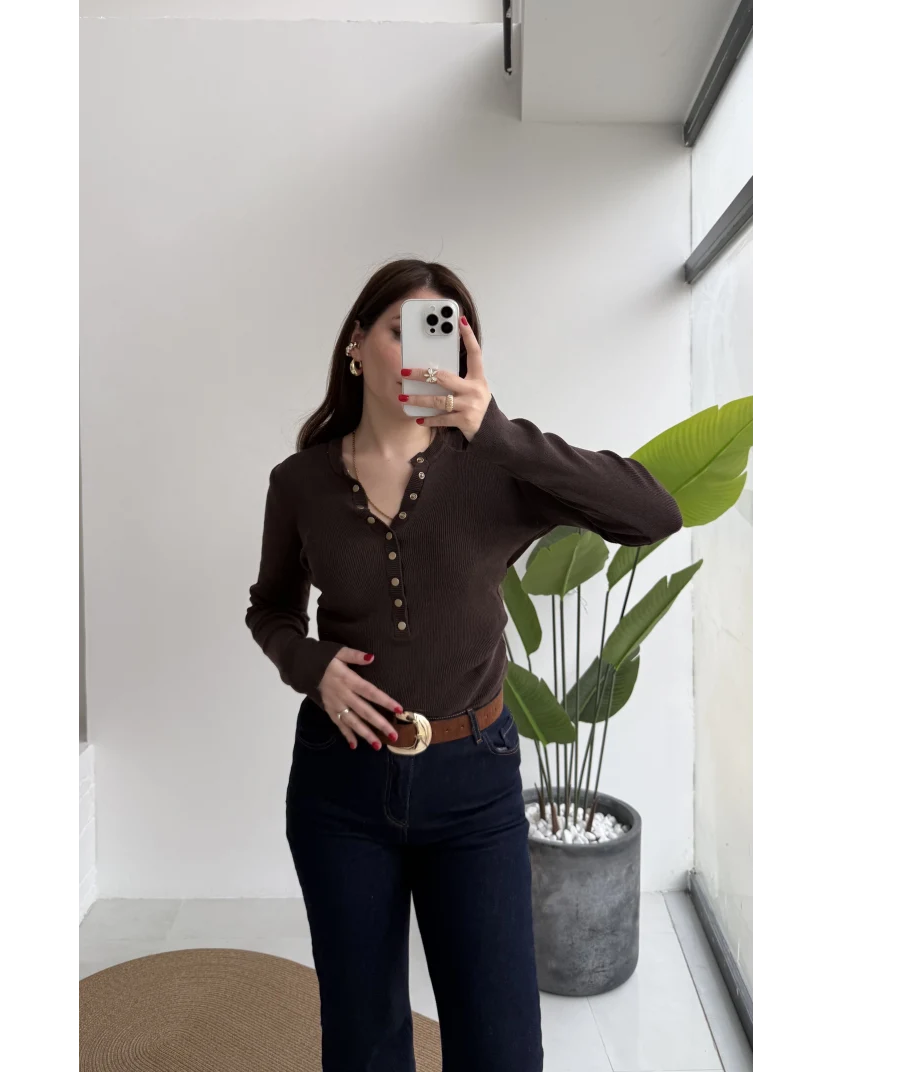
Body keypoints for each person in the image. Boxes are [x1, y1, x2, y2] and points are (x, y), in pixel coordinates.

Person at [245, 258, 683, 1071]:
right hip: (340, 787)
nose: (423, 351)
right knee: (363, 1042)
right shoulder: (300, 483)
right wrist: (313, 666)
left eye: (440, 333)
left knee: (501, 1048)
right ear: (355, 345)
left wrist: (500, 432)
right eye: (401, 329)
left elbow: (655, 512)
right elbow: (269, 609)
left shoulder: (496, 468)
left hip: (474, 789)